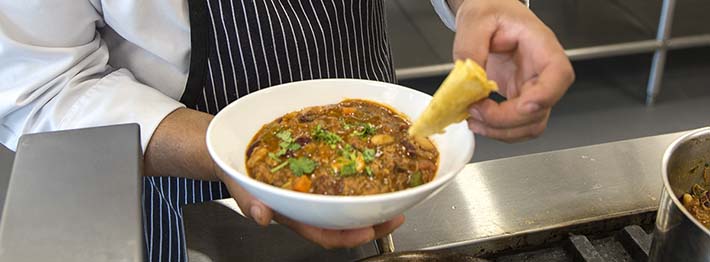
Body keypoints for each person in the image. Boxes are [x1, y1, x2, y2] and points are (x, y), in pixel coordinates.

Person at [0, 0, 574, 260]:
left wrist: (484, 6)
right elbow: (43, 84)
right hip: (179, 178)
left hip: (378, 169)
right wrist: (225, 155)